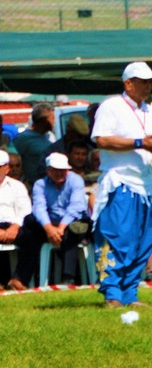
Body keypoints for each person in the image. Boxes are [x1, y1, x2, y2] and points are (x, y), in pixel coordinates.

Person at [89, 61, 152, 307]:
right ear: (128, 83)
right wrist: (138, 143)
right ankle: (112, 293)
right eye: (143, 81)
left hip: (145, 185)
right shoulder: (111, 106)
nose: (148, 86)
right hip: (120, 181)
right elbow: (101, 139)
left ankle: (130, 293)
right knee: (116, 237)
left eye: (150, 81)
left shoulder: (151, 112)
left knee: (142, 240)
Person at [11, 151, 90, 288]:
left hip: (72, 221)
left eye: (62, 170)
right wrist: (49, 228)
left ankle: (68, 278)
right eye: (55, 170)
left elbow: (75, 207)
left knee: (72, 229)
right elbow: (38, 208)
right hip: (49, 222)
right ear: (48, 171)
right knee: (29, 230)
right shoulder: (40, 184)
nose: (59, 173)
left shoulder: (76, 180)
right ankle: (21, 279)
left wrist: (60, 228)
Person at [0, 151, 33, 287]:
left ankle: (19, 279)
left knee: (32, 237)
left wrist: (14, 227)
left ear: (6, 168)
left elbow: (25, 211)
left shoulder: (17, 186)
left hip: (14, 225)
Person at [13, 103, 57, 186]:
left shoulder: (50, 136)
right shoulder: (23, 138)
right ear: (43, 121)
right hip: (32, 185)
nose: (54, 122)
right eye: (52, 118)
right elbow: (14, 160)